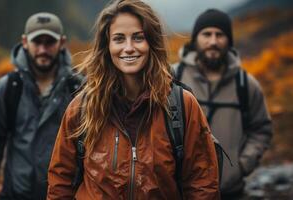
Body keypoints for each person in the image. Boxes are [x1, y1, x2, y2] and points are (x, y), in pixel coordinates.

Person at [47, 1, 220, 199]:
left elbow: (202, 184)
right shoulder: (82, 107)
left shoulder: (182, 105)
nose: (128, 48)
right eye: (119, 39)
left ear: (152, 42)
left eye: (138, 38)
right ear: (107, 45)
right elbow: (60, 183)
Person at [0, 12, 81, 200]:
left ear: (62, 42)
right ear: (24, 41)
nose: (42, 49)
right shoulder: (8, 87)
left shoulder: (78, 88)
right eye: (37, 42)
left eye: (49, 42)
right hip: (15, 194)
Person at [172, 9, 273, 199]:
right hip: (183, 192)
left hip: (231, 191)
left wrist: (243, 164)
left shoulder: (245, 84)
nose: (213, 41)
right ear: (195, 39)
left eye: (220, 35)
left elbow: (261, 129)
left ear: (229, 41)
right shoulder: (174, 77)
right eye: (206, 34)